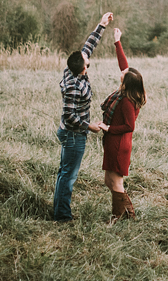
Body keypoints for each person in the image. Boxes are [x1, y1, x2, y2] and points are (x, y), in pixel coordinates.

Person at [52, 11, 113, 223]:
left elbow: (88, 47)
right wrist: (90, 126)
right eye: (87, 64)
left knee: (65, 172)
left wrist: (101, 25)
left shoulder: (73, 69)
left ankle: (59, 211)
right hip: (73, 135)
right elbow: (69, 116)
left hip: (74, 134)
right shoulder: (72, 86)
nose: (89, 63)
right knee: (69, 176)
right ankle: (62, 216)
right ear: (81, 70)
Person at [95, 25, 146, 223]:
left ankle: (124, 215)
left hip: (119, 144)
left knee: (115, 183)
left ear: (127, 84)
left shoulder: (126, 101)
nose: (121, 74)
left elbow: (130, 126)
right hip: (116, 142)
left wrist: (108, 128)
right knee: (110, 180)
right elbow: (124, 66)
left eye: (123, 77)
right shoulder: (130, 91)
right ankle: (122, 214)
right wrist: (117, 41)